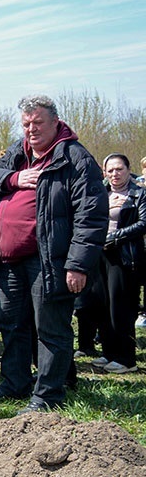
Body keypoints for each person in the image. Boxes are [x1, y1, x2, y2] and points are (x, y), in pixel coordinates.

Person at [0, 95, 108, 413]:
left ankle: (48, 394)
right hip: (9, 261)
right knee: (11, 324)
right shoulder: (17, 152)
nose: (31, 130)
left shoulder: (74, 158)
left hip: (49, 259)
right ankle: (15, 383)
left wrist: (77, 265)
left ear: (55, 122)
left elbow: (90, 216)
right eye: (26, 124)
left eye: (37, 123)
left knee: (51, 327)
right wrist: (14, 178)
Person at [91, 153, 146, 373]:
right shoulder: (100, 193)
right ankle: (109, 352)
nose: (115, 174)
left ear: (128, 169)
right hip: (100, 256)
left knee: (120, 307)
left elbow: (144, 224)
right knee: (102, 305)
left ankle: (126, 358)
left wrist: (115, 238)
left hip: (124, 256)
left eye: (119, 169)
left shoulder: (139, 194)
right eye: (110, 170)